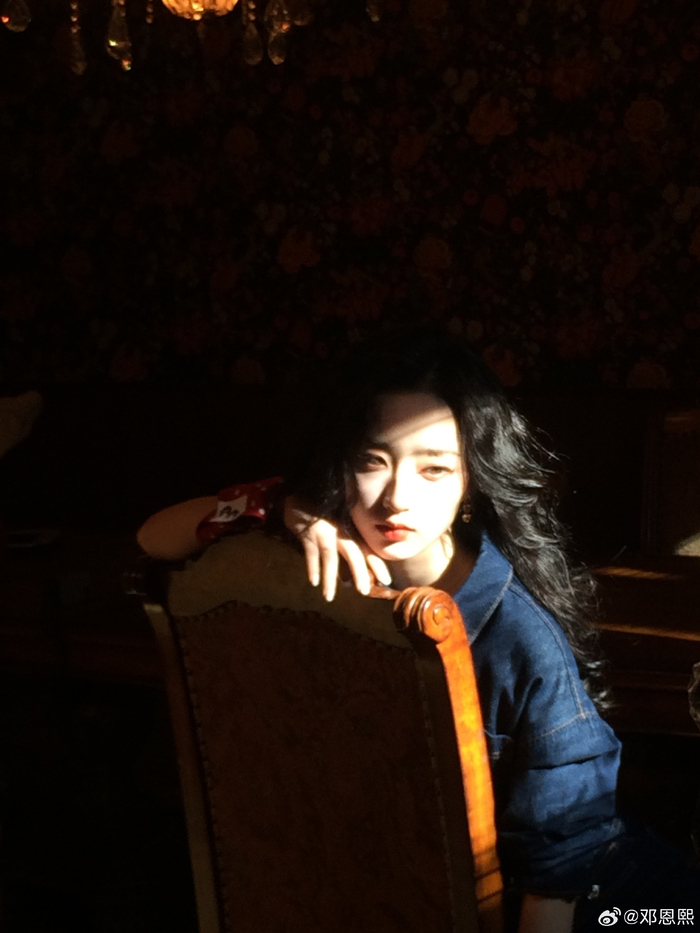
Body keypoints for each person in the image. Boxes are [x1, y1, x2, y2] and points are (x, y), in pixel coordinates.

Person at [138, 330, 700, 932]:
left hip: (607, 902)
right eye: (371, 462)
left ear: (469, 485)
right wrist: (283, 506)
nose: (396, 499)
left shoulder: (519, 637)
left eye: (434, 469)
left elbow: (555, 882)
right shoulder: (317, 560)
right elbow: (154, 537)